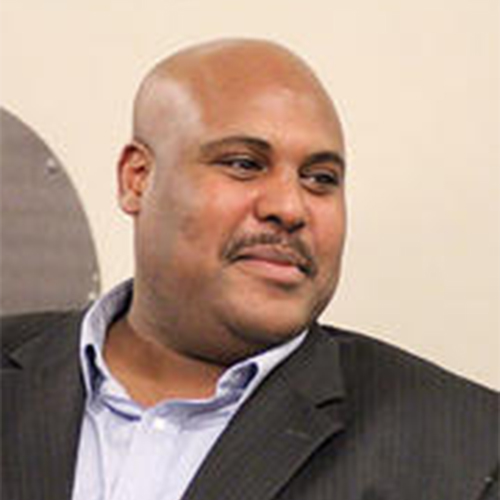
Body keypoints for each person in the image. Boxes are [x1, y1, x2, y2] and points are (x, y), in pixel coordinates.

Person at [1, 39, 498, 500]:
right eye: (244, 164)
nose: (289, 207)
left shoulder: (464, 450)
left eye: (320, 178)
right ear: (138, 179)